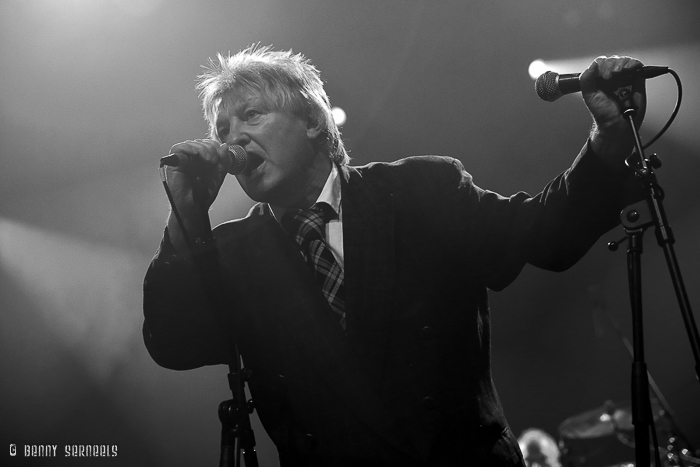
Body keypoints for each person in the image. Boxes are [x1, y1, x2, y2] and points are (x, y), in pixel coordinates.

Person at [143, 45, 646, 466]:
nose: (234, 140)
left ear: (315, 121)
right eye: (223, 130)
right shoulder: (231, 254)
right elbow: (173, 343)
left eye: (251, 115)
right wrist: (185, 217)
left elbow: (545, 235)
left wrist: (611, 139)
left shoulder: (421, 189)